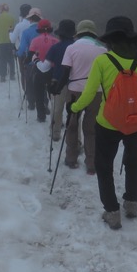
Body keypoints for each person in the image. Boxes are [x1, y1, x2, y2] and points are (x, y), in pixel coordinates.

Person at [68, 16, 137, 230]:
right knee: (134, 162)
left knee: (104, 166)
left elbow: (89, 94)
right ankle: (132, 204)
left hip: (108, 123)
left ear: (110, 39)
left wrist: (75, 107)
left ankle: (112, 212)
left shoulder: (103, 61)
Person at [49, 19, 105, 174]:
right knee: (91, 127)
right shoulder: (102, 49)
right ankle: (92, 163)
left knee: (73, 125)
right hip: (97, 91)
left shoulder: (72, 48)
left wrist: (57, 89)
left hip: (75, 91)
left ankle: (71, 159)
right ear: (93, 33)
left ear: (78, 33)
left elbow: (65, 72)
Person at [37, 19, 76, 140]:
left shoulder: (55, 47)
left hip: (58, 82)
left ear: (60, 34)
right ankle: (76, 138)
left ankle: (55, 133)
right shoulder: (77, 47)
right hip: (75, 84)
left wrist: (36, 61)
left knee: (57, 110)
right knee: (74, 112)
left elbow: (45, 68)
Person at [27, 18, 58, 122]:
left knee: (38, 92)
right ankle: (56, 118)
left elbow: (30, 55)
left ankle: (41, 115)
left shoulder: (35, 41)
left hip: (38, 69)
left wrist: (26, 62)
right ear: (50, 29)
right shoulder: (55, 41)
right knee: (53, 95)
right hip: (53, 71)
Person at [16, 8, 42, 107]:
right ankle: (44, 103)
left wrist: (17, 54)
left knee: (29, 81)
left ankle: (31, 102)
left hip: (30, 61)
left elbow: (22, 48)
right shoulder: (44, 31)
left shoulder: (26, 32)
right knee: (42, 84)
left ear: (30, 19)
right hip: (43, 61)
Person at [9, 4, 32, 87]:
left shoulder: (19, 25)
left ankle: (26, 92)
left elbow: (12, 39)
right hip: (36, 52)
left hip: (22, 52)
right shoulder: (35, 24)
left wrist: (10, 32)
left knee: (23, 73)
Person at [0, 3, 16, 82]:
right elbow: (13, 30)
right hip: (10, 41)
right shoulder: (12, 18)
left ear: (1, 9)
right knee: (10, 58)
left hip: (0, 42)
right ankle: (12, 75)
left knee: (1, 59)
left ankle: (3, 76)